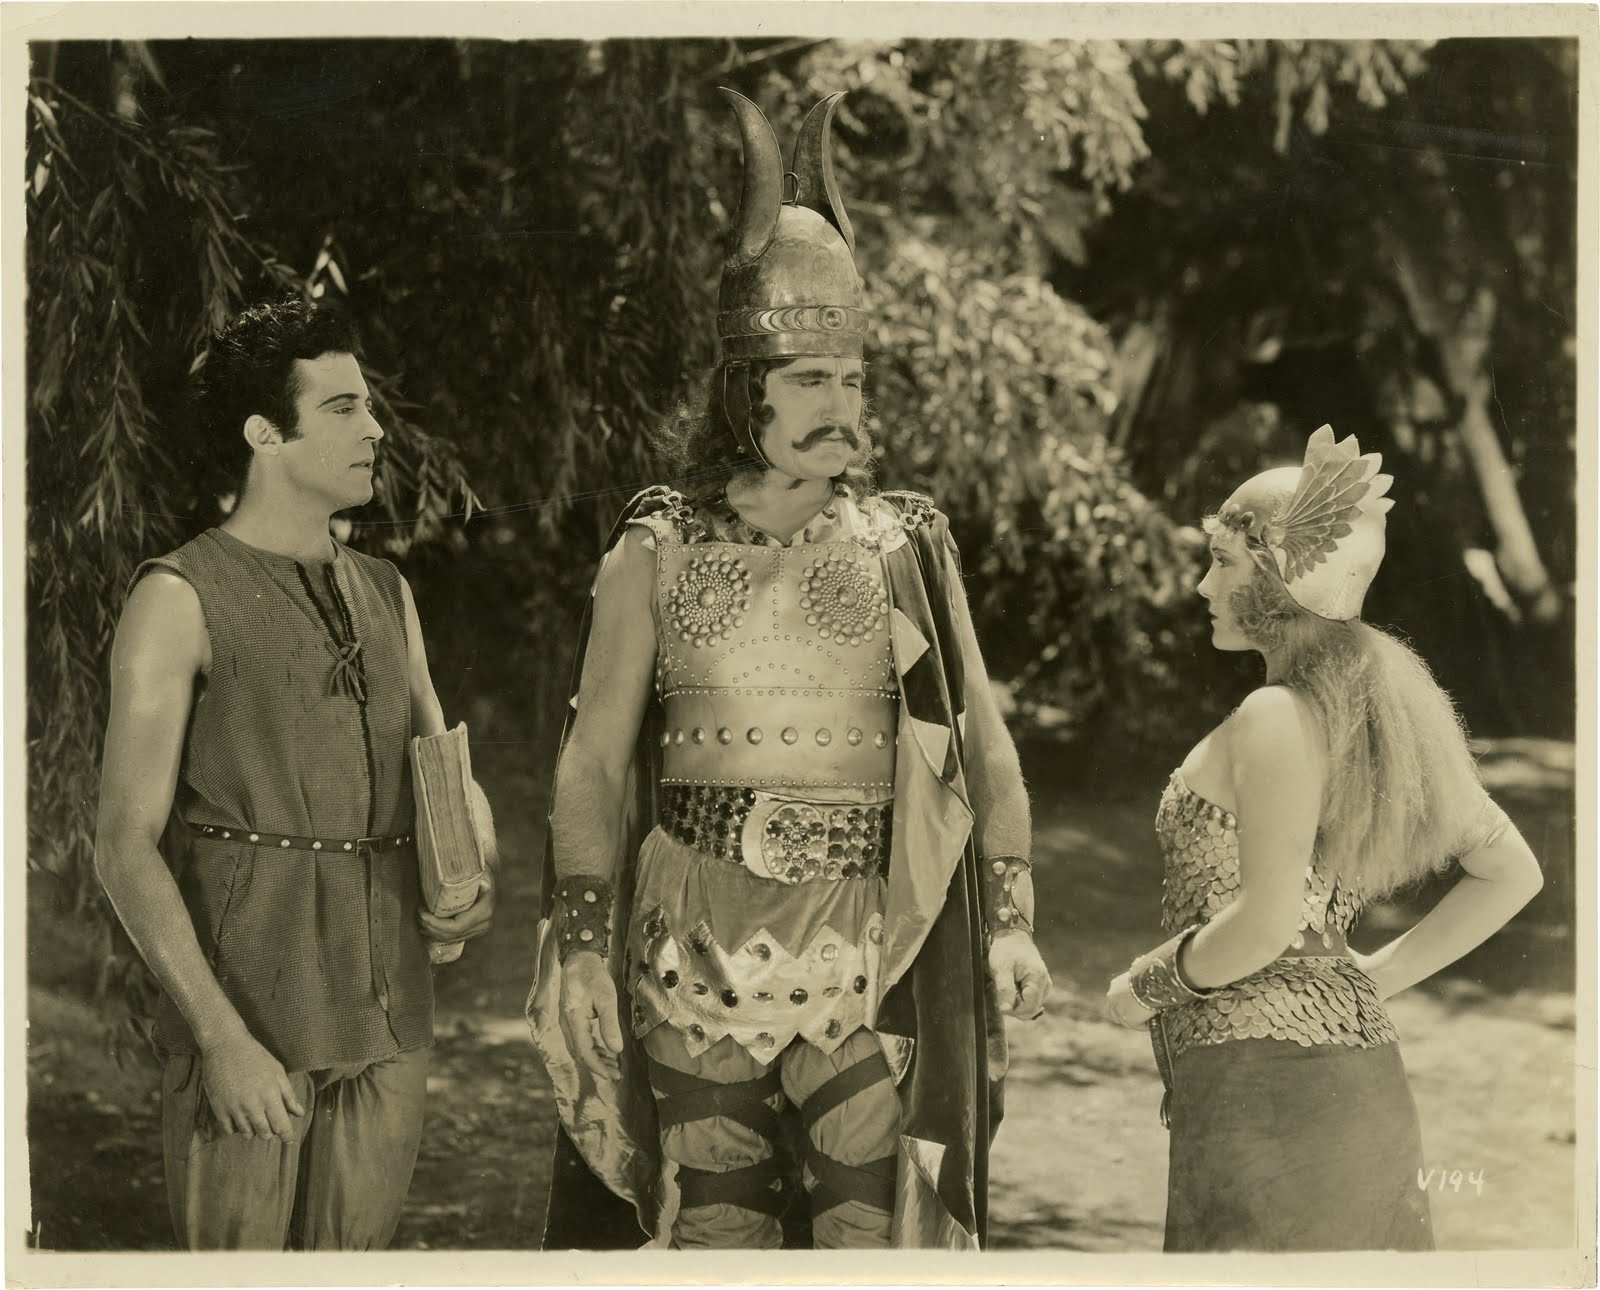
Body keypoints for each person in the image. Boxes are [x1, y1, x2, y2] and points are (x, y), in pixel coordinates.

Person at [525, 89, 1052, 1251]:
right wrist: (579, 948)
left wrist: (1010, 922)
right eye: (810, 381)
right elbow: (591, 764)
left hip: (870, 937)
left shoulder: (905, 545)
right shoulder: (654, 547)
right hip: (691, 933)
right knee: (712, 1226)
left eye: (852, 382)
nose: (841, 407)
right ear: (743, 390)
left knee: (867, 1229)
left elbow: (985, 749)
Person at [94, 297, 497, 1250]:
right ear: (264, 434)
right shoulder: (177, 596)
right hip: (253, 1008)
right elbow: (122, 844)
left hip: (390, 1007)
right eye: (345, 408)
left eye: (371, 407)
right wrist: (219, 1038)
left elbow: (444, 767)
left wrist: (474, 868)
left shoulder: (389, 590)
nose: (376, 428)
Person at [1103, 425, 1545, 1252]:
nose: (1203, 584)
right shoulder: (1368, 711)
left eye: (1224, 561)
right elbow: (1510, 870)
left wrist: (1146, 985)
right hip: (1346, 1076)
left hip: (1267, 1088)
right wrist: (1364, 981)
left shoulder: (1275, 713)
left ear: (1279, 577)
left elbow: (1268, 924)